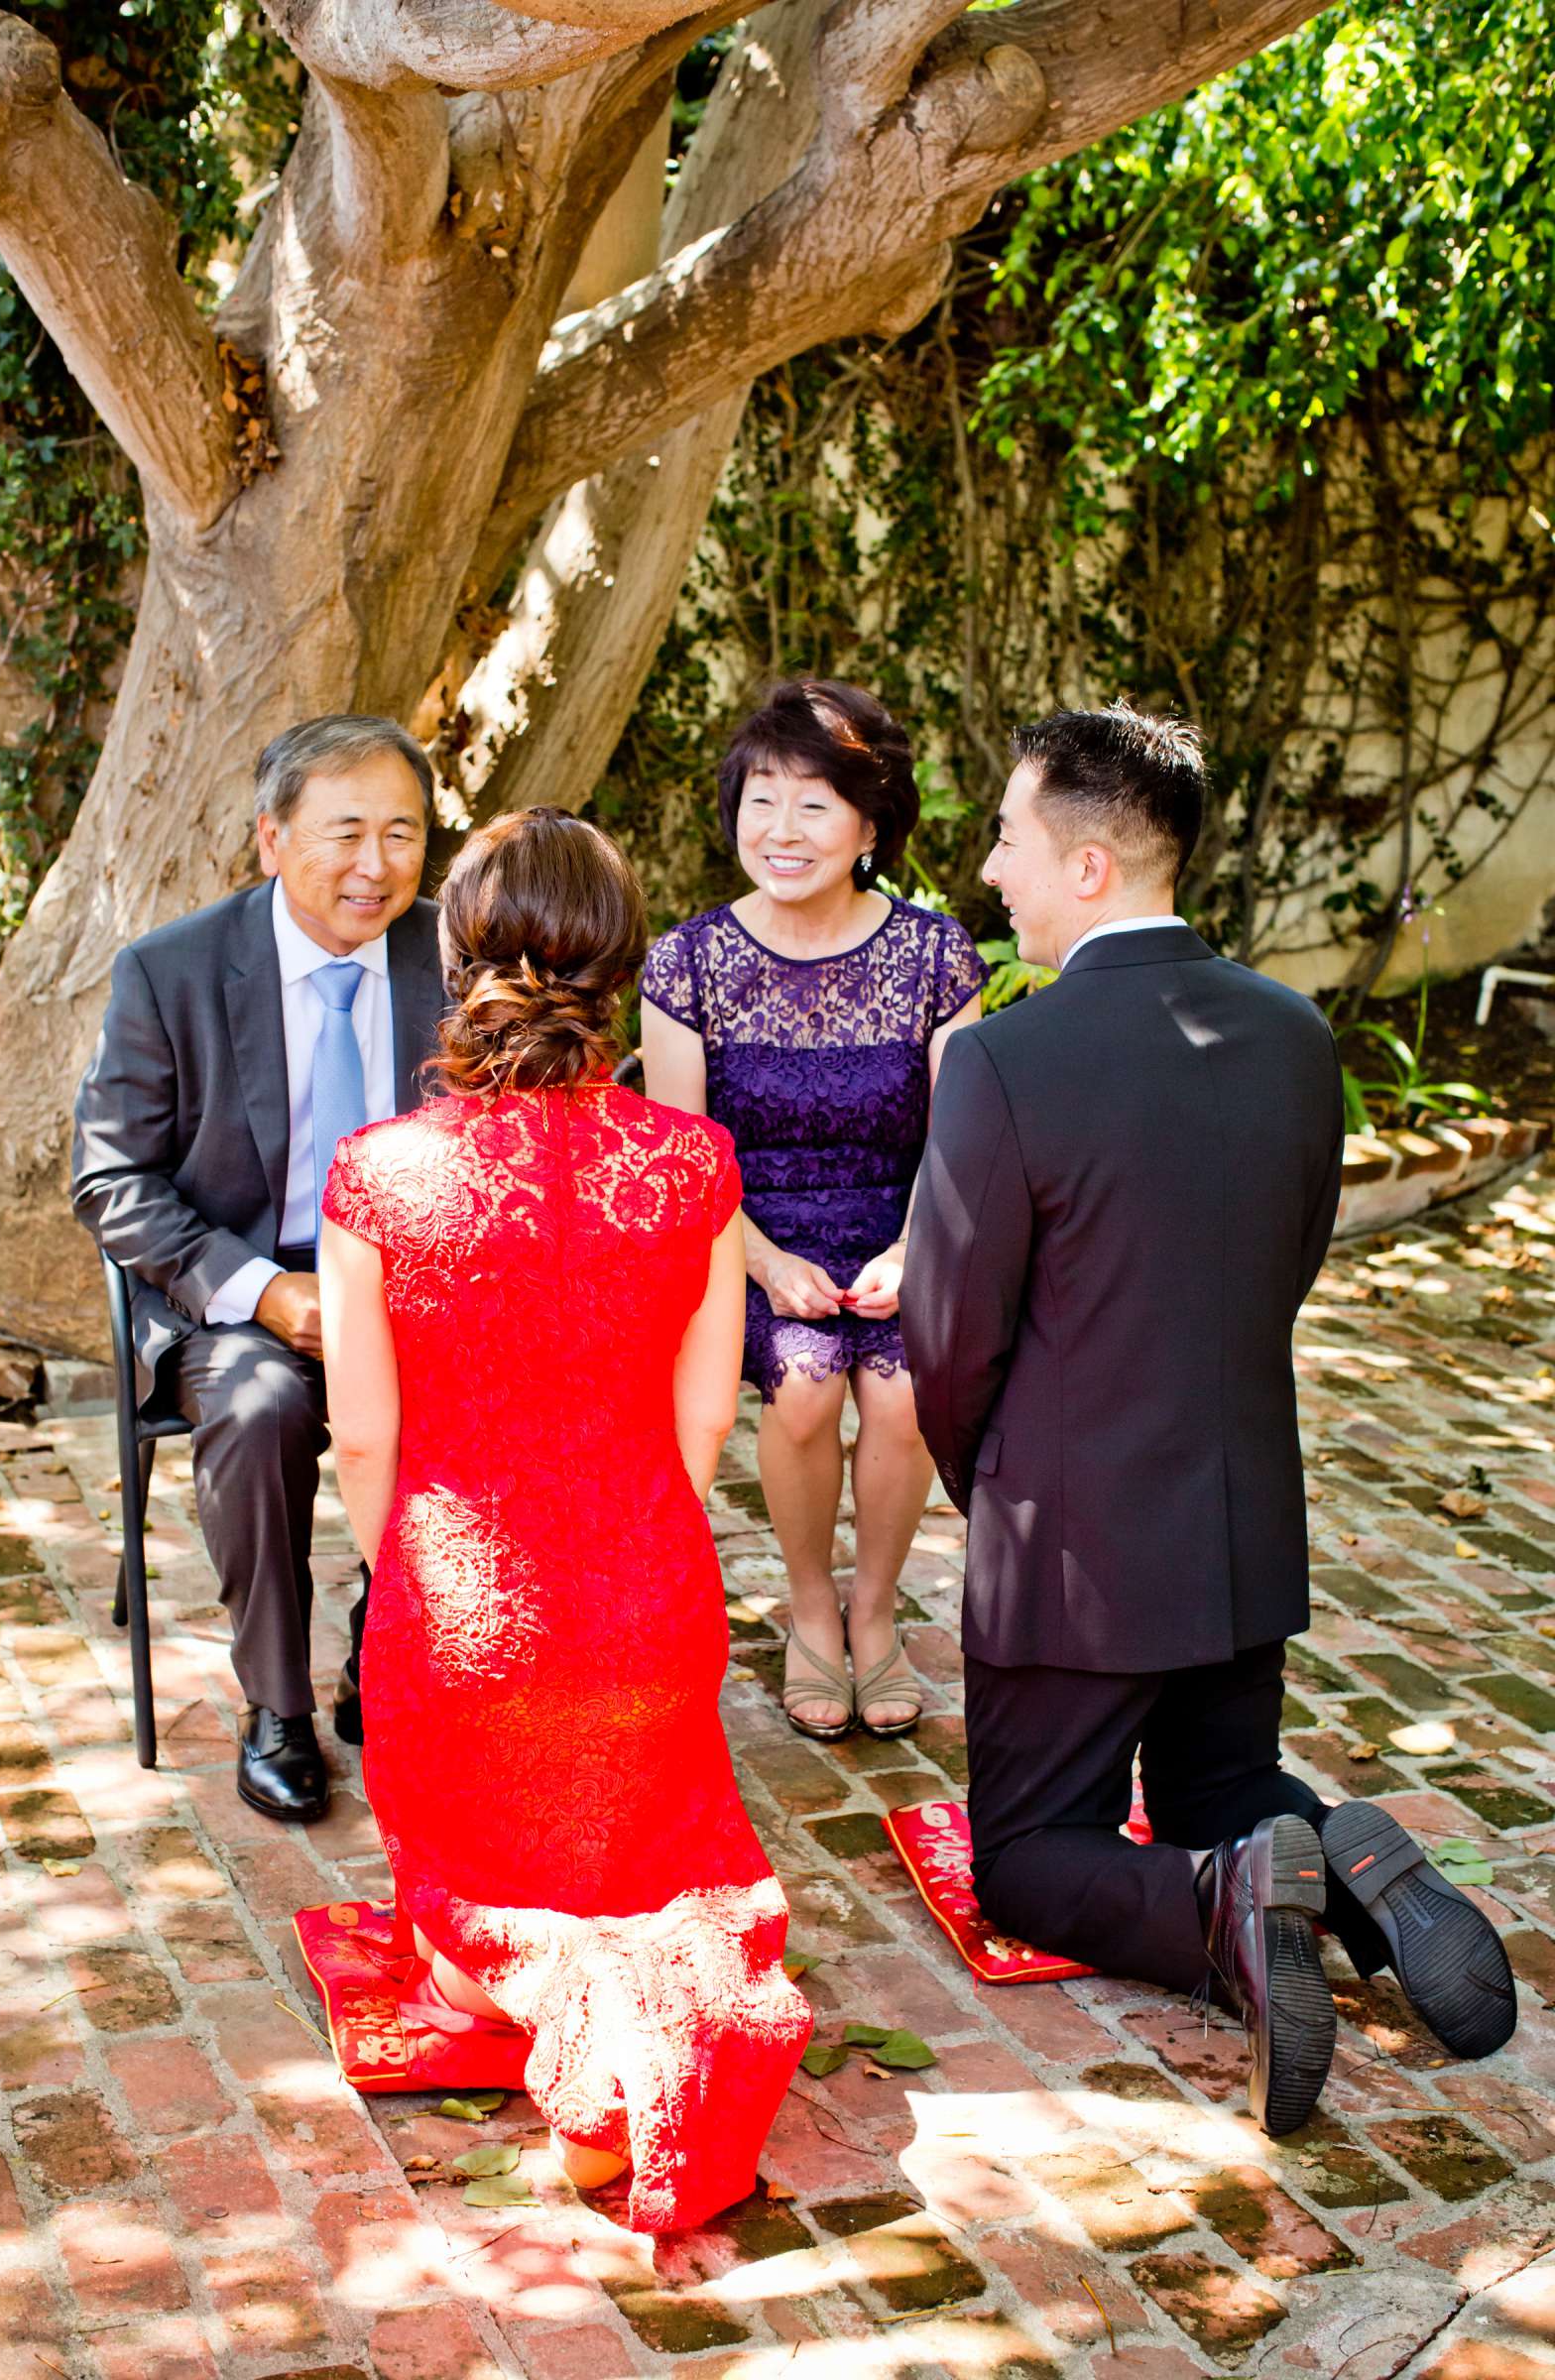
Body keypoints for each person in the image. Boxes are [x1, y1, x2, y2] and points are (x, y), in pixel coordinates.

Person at [902, 702, 1516, 2139]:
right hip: (1239, 1526)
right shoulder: (1297, 1036)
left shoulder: (1005, 1064)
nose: (994, 869)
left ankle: (1220, 1910)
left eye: (1008, 839)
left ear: (1092, 867)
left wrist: (986, 1482)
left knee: (1036, 1859)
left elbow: (947, 1338)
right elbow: (1291, 1258)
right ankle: (1357, 1873)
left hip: (1071, 1548)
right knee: (1216, 1781)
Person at [309, 805, 811, 2232]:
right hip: (650, 1604)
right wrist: (634, 1541)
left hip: (461, 1621)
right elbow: (705, 1422)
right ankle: (657, 2015)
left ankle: (575, 2024)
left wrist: (405, 1586)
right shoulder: (694, 1166)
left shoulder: (375, 1173)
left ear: (459, 952)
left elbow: (362, 1436)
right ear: (621, 965)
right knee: (647, 1874)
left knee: (469, 1949)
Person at [72, 715, 442, 1824]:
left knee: (479, 1384)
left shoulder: (455, 958)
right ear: (272, 841)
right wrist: (267, 1293)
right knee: (261, 1402)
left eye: (402, 834)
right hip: (231, 1291)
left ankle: (390, 1649)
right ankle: (275, 1703)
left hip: (414, 1289)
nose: (373, 867)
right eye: (344, 835)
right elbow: (111, 1182)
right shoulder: (170, 972)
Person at [641, 681, 984, 1743]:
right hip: (743, 1233)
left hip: (900, 1224)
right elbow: (680, 1157)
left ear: (869, 824)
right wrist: (760, 1256)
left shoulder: (935, 960)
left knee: (900, 1389)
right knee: (801, 1384)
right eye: (761, 799)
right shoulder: (686, 963)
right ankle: (806, 1610)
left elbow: (959, 1142)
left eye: (813, 804)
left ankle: (872, 1613)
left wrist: (912, 1250)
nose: (780, 830)